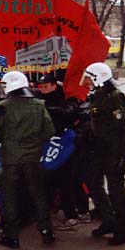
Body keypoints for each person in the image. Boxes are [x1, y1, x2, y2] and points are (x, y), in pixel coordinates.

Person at [0, 71, 56, 248]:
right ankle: (46, 232)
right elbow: (49, 131)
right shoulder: (39, 105)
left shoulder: (3, 107)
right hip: (33, 157)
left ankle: (12, 236)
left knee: (10, 197)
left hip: (11, 159)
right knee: (38, 194)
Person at [80, 62, 125, 245]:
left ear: (97, 77)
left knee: (116, 190)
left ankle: (122, 231)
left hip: (113, 150)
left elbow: (124, 127)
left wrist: (120, 156)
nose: (85, 81)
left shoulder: (114, 97)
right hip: (100, 148)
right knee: (92, 182)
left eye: (88, 78)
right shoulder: (99, 95)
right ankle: (109, 220)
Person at [39, 73, 85, 230]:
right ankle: (55, 209)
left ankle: (71, 216)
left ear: (54, 85)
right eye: (41, 87)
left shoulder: (67, 99)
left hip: (65, 147)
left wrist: (47, 108)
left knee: (66, 181)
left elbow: (69, 114)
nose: (43, 90)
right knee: (51, 180)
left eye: (46, 86)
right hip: (51, 145)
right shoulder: (41, 98)